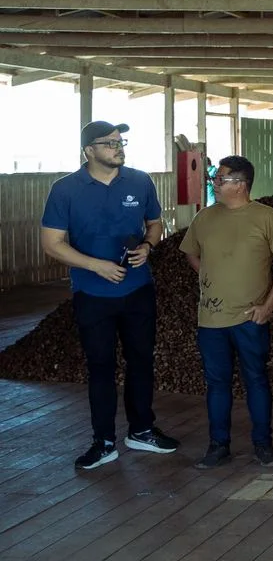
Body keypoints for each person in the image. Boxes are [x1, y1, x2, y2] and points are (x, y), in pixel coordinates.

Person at [41, 121, 176, 470]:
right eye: (110, 143)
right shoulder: (65, 189)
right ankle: (103, 442)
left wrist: (148, 246)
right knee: (100, 366)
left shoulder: (139, 180)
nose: (119, 147)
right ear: (89, 150)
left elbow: (156, 223)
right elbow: (51, 243)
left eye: (121, 141)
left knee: (141, 360)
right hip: (92, 293)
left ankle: (142, 430)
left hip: (138, 289)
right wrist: (94, 266)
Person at [181, 155, 273, 470]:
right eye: (215, 177)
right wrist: (210, 276)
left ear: (241, 184)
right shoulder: (204, 218)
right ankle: (218, 446)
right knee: (216, 383)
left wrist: (269, 305)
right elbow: (191, 253)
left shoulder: (266, 217)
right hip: (210, 319)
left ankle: (263, 445)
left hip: (251, 318)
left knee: (256, 380)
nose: (214, 183)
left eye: (220, 178)